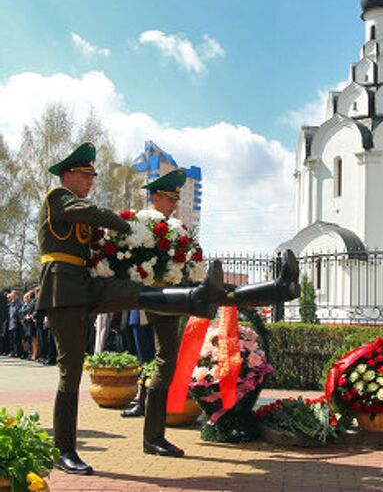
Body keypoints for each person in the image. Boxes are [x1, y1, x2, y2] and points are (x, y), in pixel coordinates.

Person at [38, 142, 300, 476]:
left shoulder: (154, 225)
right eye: (86, 175)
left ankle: (274, 289)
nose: (91, 181)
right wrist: (127, 227)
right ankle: (64, 449)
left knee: (171, 308)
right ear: (69, 174)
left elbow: (99, 243)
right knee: (70, 370)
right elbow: (95, 224)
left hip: (91, 285)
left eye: (92, 175)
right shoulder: (58, 198)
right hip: (63, 287)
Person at [120, 169, 192, 458]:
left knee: (165, 364)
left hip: (170, 298)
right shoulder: (142, 224)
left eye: (176, 198)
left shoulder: (172, 226)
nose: (174, 204)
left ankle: (154, 437)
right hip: (151, 298)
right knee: (162, 364)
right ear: (156, 196)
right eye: (170, 198)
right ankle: (153, 437)